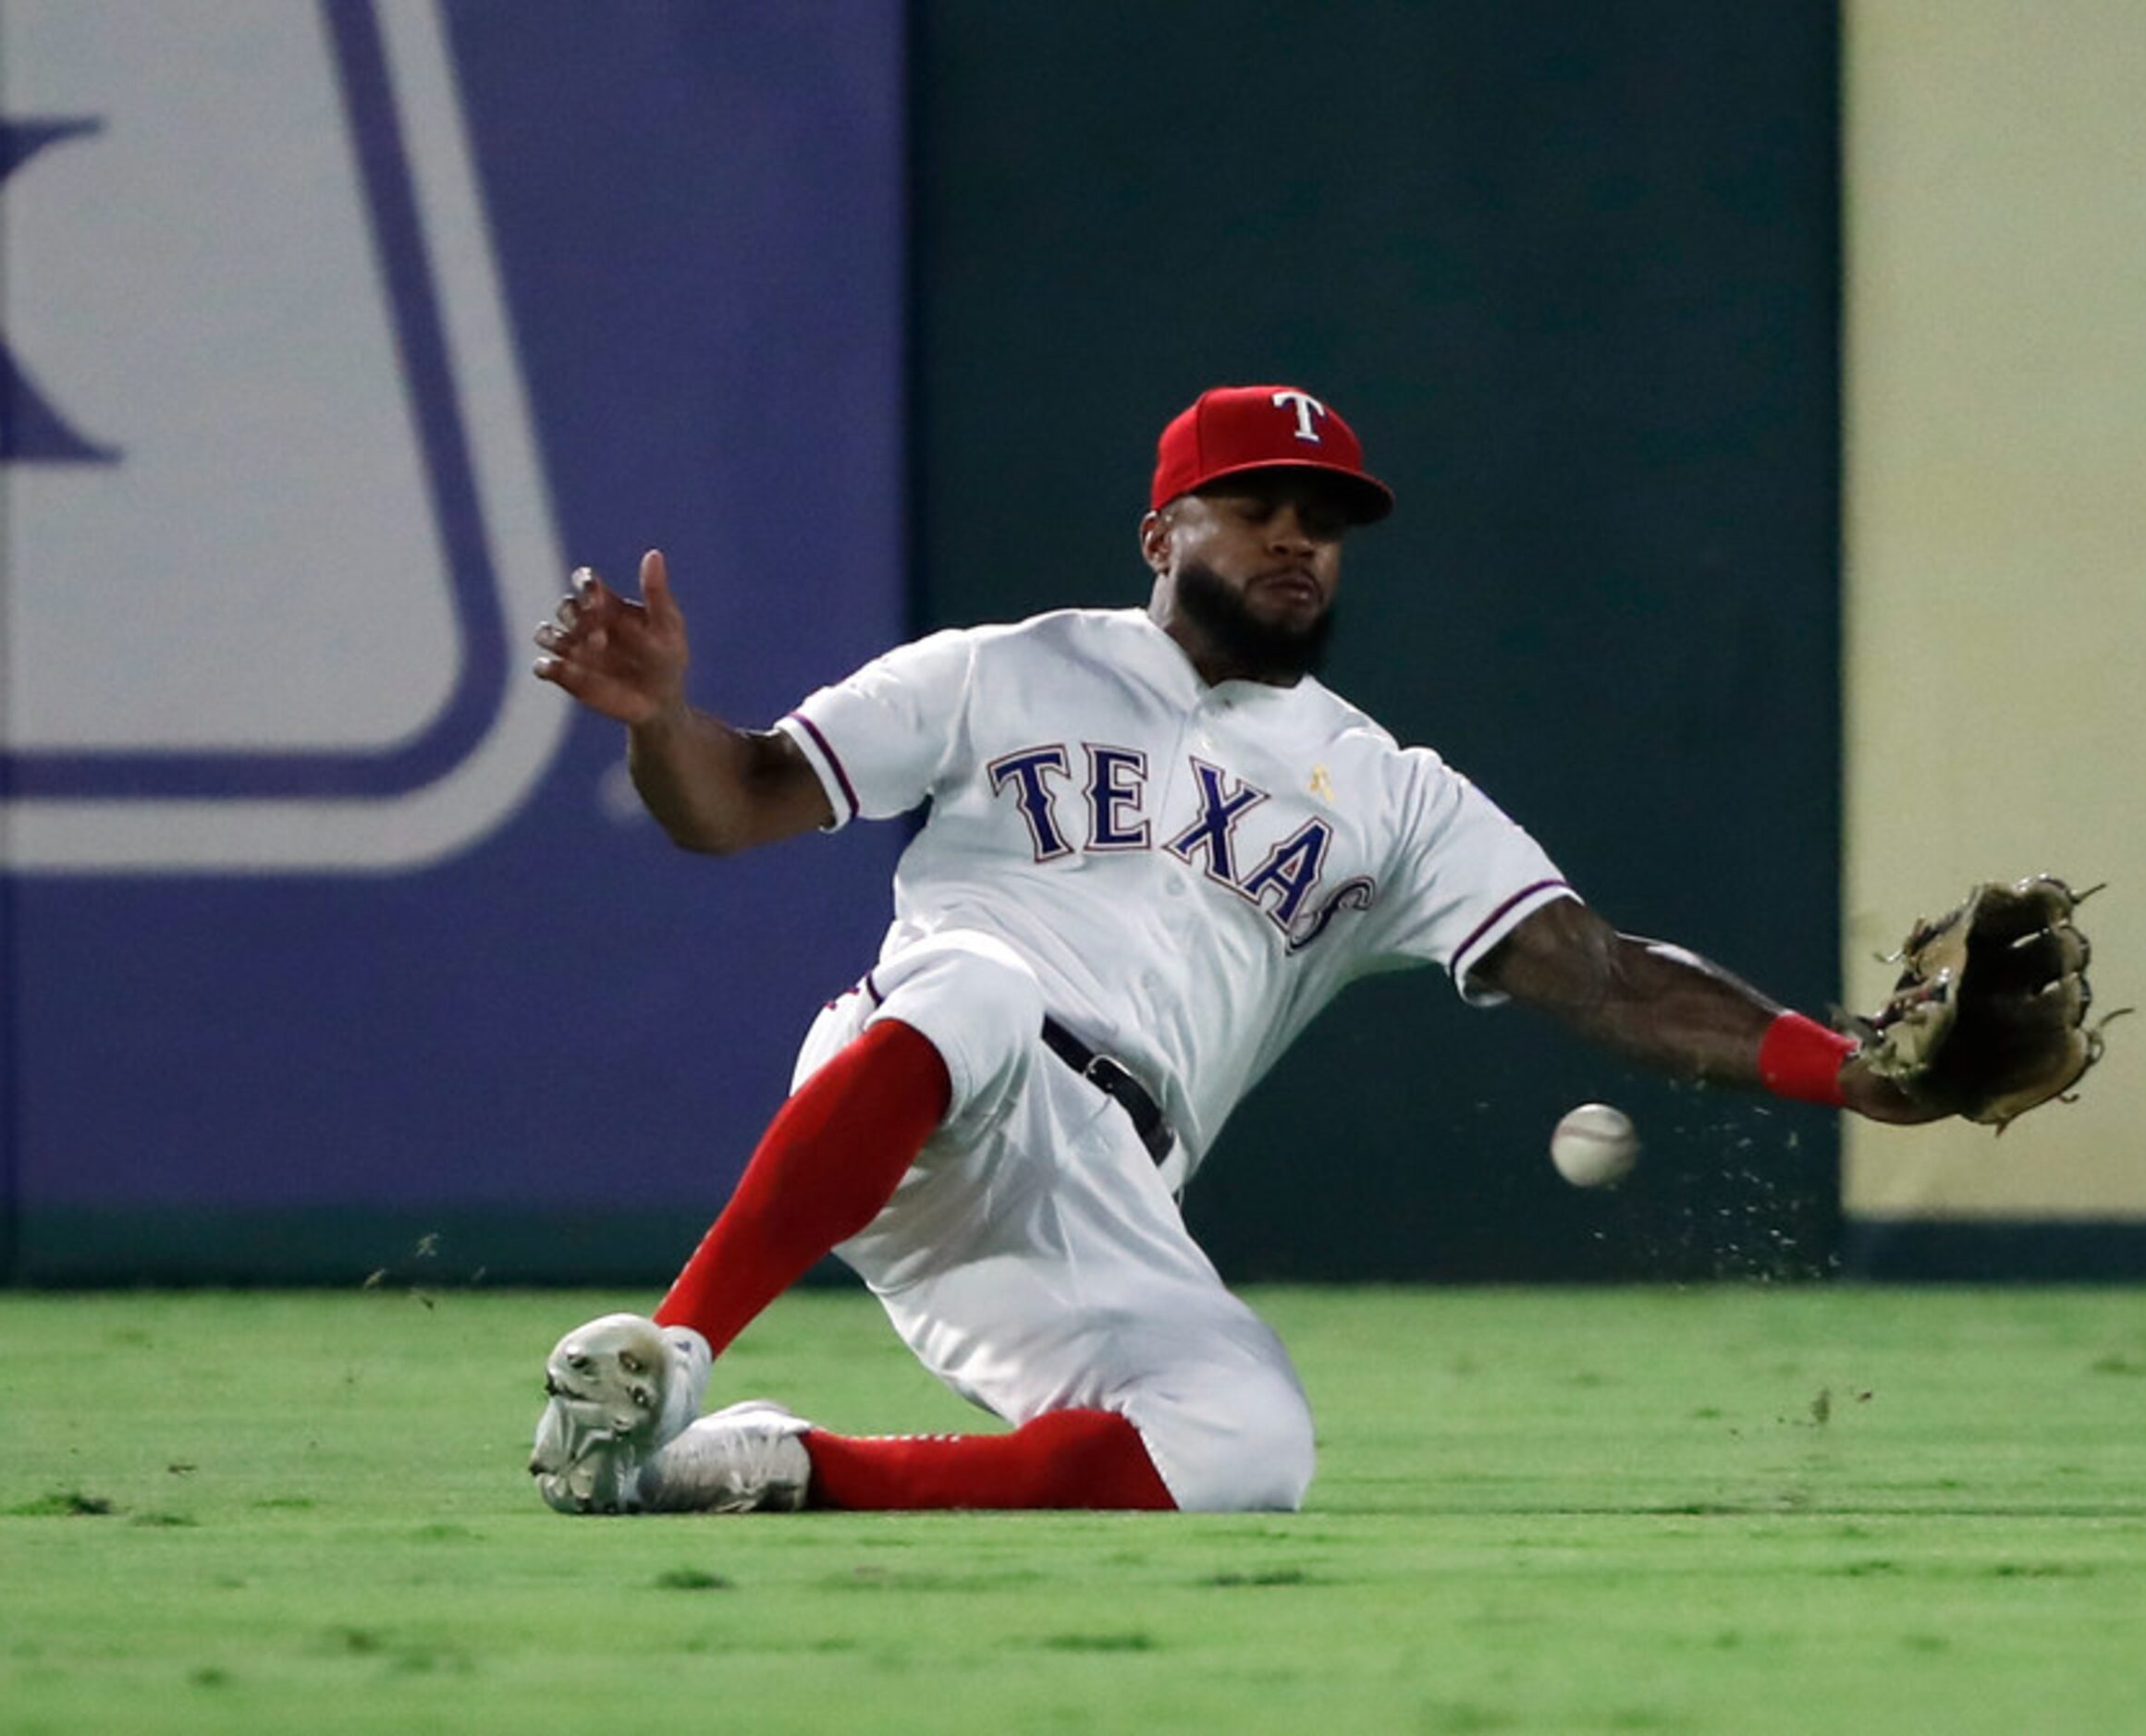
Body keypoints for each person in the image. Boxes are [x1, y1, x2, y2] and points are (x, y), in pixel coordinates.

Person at [523, 384, 1940, 1517]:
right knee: (982, 981)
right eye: (1253, 506)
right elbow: (737, 800)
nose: (1294, 539)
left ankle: (770, 1470)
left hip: (1102, 1189)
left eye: (1322, 520)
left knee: (1247, 1445)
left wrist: (1857, 1073)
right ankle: (676, 1351)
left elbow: (1603, 972)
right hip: (929, 1072)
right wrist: (660, 722)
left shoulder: (1390, 790)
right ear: (1160, 536)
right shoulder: (1000, 670)